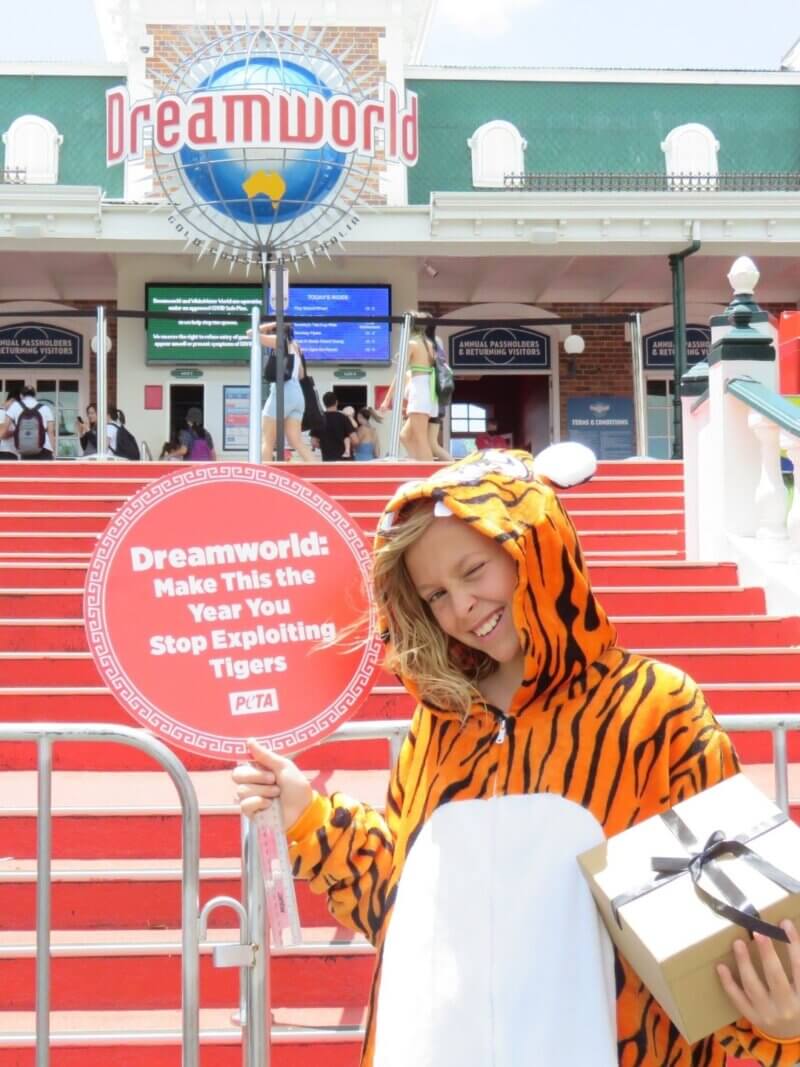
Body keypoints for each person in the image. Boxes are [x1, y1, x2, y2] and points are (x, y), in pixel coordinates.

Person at [233, 447, 800, 1067]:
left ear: (536, 547)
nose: (461, 607)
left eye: (474, 570)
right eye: (436, 595)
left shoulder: (657, 710)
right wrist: (307, 814)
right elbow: (402, 909)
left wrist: (785, 1030)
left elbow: (729, 926)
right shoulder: (438, 728)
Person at [255, 322, 314, 463]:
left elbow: (251, 334)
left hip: (283, 391)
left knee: (267, 440)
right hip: (298, 395)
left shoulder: (279, 341)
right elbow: (301, 375)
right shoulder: (296, 347)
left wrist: (269, 325)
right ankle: (316, 468)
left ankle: (266, 476)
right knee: (296, 441)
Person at [314, 391, 358, 462]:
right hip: (346, 461)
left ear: (324, 404)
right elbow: (355, 440)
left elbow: (314, 442)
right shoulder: (344, 418)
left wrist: (325, 446)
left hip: (328, 460)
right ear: (336, 402)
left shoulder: (319, 419)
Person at [16, 386, 55, 460]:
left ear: (21, 395)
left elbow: (6, 427)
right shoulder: (45, 408)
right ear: (35, 395)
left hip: (24, 449)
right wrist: (53, 451)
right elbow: (51, 432)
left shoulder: (15, 407)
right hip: (44, 448)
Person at [0, 389, 23, 460]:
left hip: (10, 453)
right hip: (4, 452)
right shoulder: (2, 412)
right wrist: (17, 431)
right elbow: (2, 433)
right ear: (13, 400)